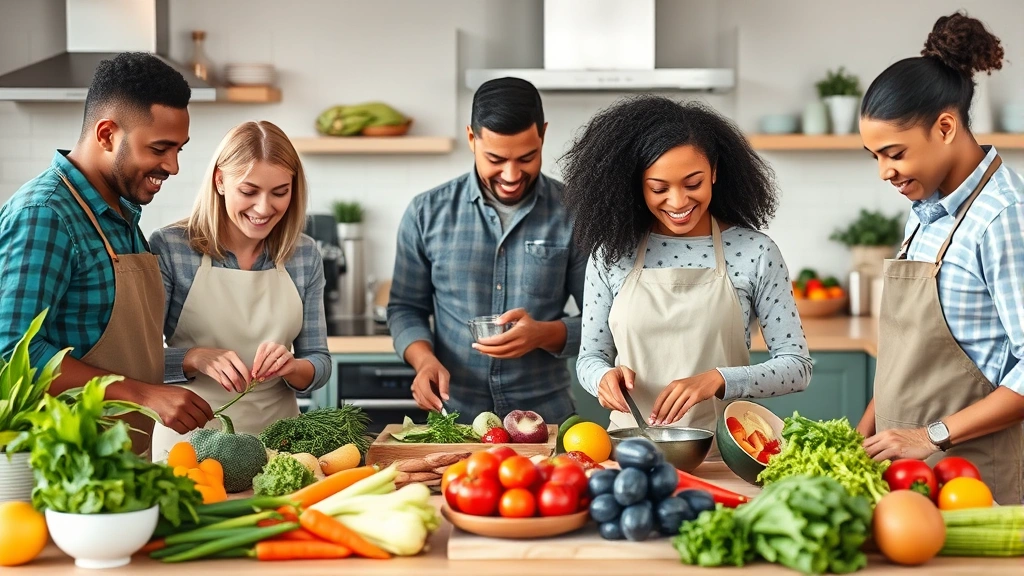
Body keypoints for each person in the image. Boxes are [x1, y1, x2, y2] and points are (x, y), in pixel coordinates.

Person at [562, 96, 812, 455]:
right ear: (637, 183)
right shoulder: (612, 253)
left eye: (692, 183)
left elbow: (797, 367)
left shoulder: (755, 252)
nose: (678, 202)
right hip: (629, 452)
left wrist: (718, 379)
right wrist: (601, 378)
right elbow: (589, 357)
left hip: (726, 453)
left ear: (713, 171)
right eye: (659, 188)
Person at [0, 52, 213, 455]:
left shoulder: (121, 214)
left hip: (121, 467)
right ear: (106, 135)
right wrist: (144, 395)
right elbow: (11, 354)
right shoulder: (46, 214)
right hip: (61, 470)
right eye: (160, 148)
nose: (173, 166)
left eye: (179, 150)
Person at [855, 12, 1024, 504]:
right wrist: (859, 435)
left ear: (945, 127)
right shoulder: (924, 210)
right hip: (903, 477)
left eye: (894, 153)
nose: (885, 172)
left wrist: (929, 437)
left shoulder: (1003, 217)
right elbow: (908, 361)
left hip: (971, 482)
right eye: (875, 157)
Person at [388, 77, 586, 424]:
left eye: (527, 157)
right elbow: (405, 308)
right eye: (495, 158)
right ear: (471, 138)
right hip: (454, 420)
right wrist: (424, 361)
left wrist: (542, 333)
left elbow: (606, 322)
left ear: (543, 134)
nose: (511, 175)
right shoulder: (426, 212)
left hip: (547, 417)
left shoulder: (575, 212)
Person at [148, 121, 331, 460]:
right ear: (219, 181)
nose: (264, 208)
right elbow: (136, 363)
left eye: (280, 192)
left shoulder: (303, 254)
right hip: (189, 449)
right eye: (249, 192)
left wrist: (292, 367)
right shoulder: (172, 248)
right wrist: (193, 358)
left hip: (279, 450)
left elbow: (319, 360)